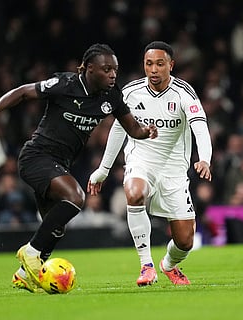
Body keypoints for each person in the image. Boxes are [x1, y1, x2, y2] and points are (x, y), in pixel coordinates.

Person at [0, 43, 157, 293]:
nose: (113, 74)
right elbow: (23, 92)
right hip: (36, 157)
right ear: (89, 69)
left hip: (60, 163)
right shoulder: (65, 85)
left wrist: (146, 131)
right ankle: (30, 253)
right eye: (107, 69)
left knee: (55, 226)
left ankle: (22, 275)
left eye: (115, 69)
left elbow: (133, 129)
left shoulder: (111, 96)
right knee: (75, 197)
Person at [87, 41, 212, 286]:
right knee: (134, 193)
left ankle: (168, 265)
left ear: (171, 65)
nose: (153, 69)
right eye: (148, 64)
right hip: (141, 159)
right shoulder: (132, 92)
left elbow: (201, 127)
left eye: (159, 64)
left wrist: (204, 158)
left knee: (185, 241)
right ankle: (147, 266)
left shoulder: (184, 93)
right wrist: (103, 169)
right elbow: (118, 129)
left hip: (174, 170)